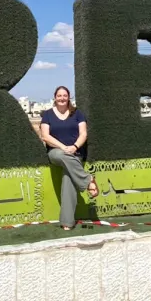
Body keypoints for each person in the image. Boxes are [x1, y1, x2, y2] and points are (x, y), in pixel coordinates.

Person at [40, 86, 98, 229]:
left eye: (64, 95)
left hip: (75, 153)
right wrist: (63, 147)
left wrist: (75, 147)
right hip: (56, 152)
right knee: (63, 156)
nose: (62, 98)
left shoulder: (77, 114)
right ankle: (88, 179)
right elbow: (45, 136)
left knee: (68, 180)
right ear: (55, 97)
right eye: (59, 95)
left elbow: (83, 133)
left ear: (68, 97)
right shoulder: (47, 114)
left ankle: (67, 222)